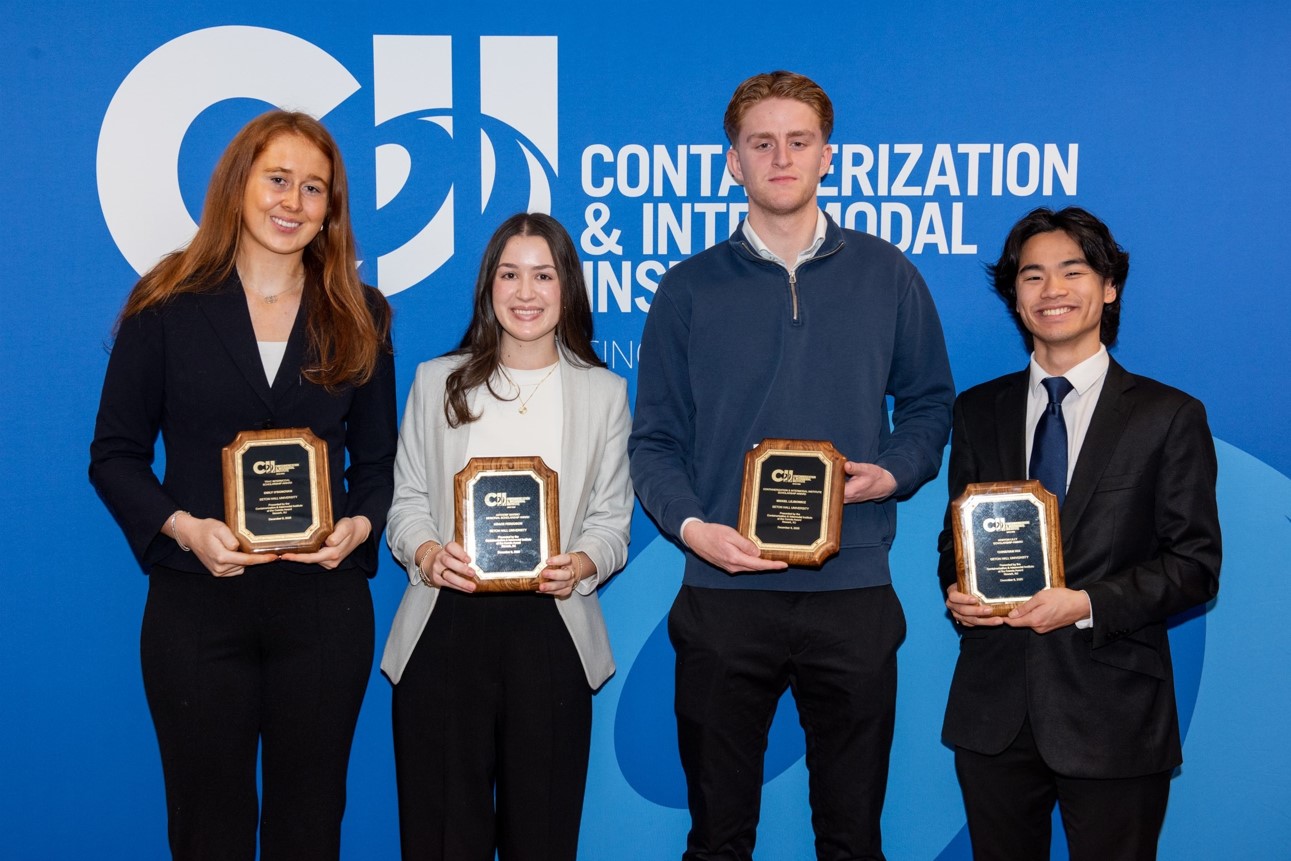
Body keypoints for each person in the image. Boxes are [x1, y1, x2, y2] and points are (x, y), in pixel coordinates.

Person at [628, 71, 955, 861]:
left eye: (798, 142)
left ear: (826, 157)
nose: (781, 157)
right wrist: (695, 530)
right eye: (761, 143)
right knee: (717, 839)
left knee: (850, 838)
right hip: (723, 595)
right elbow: (654, 441)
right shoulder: (686, 288)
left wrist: (892, 471)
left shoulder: (888, 275)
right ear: (733, 162)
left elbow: (928, 404)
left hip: (850, 594)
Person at [89, 110, 396, 860]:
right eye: (278, 179)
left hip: (322, 610)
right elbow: (115, 455)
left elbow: (380, 464)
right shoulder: (165, 304)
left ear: (331, 210)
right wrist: (183, 528)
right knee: (207, 828)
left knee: (309, 825)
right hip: (197, 604)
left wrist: (359, 526)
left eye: (314, 188)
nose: (293, 202)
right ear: (239, 185)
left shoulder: (362, 314)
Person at [938, 207, 1221, 861]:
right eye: (1031, 276)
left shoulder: (1166, 416)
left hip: (1113, 714)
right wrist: (957, 589)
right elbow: (954, 540)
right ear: (1014, 295)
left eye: (1071, 270)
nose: (1051, 290)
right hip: (993, 712)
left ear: (1109, 286)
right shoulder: (978, 410)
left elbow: (1194, 564)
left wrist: (1086, 603)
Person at [380, 212, 633, 860]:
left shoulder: (603, 393)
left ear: (566, 286)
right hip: (445, 628)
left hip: (552, 632)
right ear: (488, 287)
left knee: (541, 838)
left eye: (542, 275)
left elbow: (611, 521)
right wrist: (429, 553)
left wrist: (581, 562)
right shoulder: (437, 381)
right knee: (441, 839)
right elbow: (405, 500)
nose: (526, 292)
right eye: (510, 273)